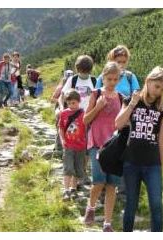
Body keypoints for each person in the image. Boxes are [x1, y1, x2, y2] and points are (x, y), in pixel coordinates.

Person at [115, 66, 163, 232]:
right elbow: (118, 124)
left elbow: (162, 138)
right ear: (148, 81)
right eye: (157, 86)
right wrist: (132, 103)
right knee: (131, 203)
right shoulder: (131, 100)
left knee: (156, 204)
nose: (158, 91)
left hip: (152, 163)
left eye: (162, 89)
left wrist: (161, 165)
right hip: (131, 161)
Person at [83, 61, 123, 232]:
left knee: (112, 185)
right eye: (109, 79)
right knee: (99, 182)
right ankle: (90, 207)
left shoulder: (121, 97)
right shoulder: (96, 93)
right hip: (97, 143)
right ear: (103, 77)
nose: (112, 82)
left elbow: (122, 122)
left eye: (115, 79)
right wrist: (98, 107)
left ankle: (107, 223)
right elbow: (85, 120)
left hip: (114, 146)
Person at [96, 45, 140, 196]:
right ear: (111, 59)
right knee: (104, 153)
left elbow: (137, 95)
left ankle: (121, 189)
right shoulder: (102, 78)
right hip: (103, 123)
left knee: (123, 153)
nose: (121, 64)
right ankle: (102, 186)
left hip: (124, 122)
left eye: (123, 61)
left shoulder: (130, 77)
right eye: (118, 60)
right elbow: (95, 97)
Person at [58, 55, 97, 187]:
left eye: (85, 71)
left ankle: (82, 172)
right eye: (81, 71)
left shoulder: (94, 80)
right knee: (75, 145)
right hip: (74, 119)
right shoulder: (72, 79)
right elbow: (64, 95)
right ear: (77, 69)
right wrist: (63, 111)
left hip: (89, 118)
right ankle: (77, 174)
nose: (83, 74)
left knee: (86, 148)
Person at [58, 89, 86, 201]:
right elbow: (61, 128)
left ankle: (73, 189)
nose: (71, 105)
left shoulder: (84, 113)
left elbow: (87, 128)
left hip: (80, 146)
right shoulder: (64, 113)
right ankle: (66, 190)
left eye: (73, 103)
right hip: (68, 145)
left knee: (78, 169)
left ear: (79, 101)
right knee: (68, 167)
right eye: (69, 103)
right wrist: (62, 139)